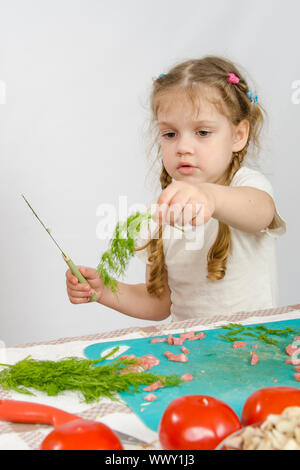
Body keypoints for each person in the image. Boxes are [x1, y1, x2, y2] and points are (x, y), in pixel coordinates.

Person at [66, 56, 286, 322]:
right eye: (170, 134)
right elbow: (158, 303)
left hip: (252, 349)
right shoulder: (160, 215)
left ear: (238, 136)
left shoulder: (247, 185)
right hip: (188, 353)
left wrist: (210, 197)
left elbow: (260, 212)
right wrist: (105, 291)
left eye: (202, 132)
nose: (183, 147)